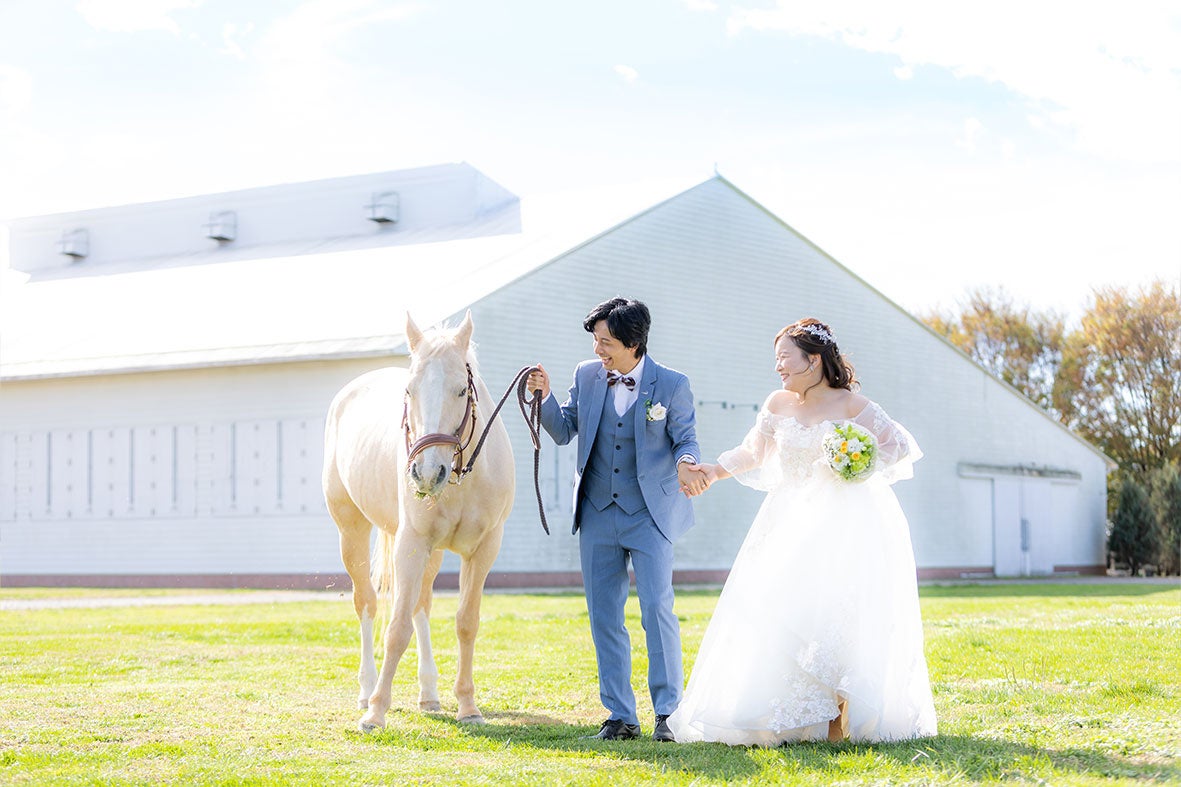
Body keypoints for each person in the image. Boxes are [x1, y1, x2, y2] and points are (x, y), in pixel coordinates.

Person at [666, 318, 937, 746]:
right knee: (782, 612)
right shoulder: (778, 403)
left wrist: (853, 465)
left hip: (843, 526)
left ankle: (837, 721)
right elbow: (754, 452)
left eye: (784, 358)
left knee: (836, 615)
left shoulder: (853, 405)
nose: (778, 367)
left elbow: (898, 446)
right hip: (787, 521)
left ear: (813, 360)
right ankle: (789, 716)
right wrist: (713, 472)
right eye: (776, 359)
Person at [527, 297, 707, 742]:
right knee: (604, 615)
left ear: (633, 342)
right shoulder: (586, 376)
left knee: (656, 610)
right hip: (596, 513)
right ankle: (621, 716)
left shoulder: (673, 383)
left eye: (605, 342)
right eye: (595, 341)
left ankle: (668, 714)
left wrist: (686, 463)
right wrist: (543, 397)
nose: (597, 350)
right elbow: (564, 430)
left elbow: (686, 439)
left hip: (650, 514)